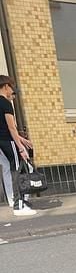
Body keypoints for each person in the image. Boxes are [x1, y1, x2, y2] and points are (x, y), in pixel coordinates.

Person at [0, 75, 35, 216]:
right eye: (12, 87)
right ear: (6, 86)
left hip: (1, 143)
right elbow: (11, 128)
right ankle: (18, 205)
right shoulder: (6, 104)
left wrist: (21, 140)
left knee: (7, 170)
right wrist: (20, 147)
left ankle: (13, 201)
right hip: (8, 141)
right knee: (17, 170)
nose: (12, 90)